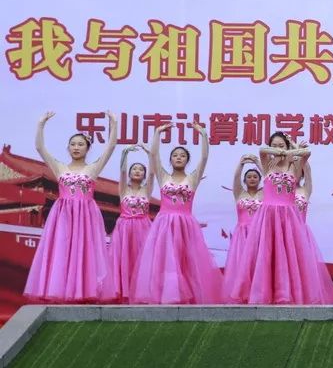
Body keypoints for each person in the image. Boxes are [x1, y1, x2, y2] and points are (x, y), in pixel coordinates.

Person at [228, 132, 333, 304]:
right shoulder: (267, 164)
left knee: (288, 256)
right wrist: (280, 152)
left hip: (288, 216)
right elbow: (262, 150)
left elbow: (306, 153)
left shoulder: (294, 166)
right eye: (274, 145)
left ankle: (287, 293)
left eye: (281, 145)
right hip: (268, 215)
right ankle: (263, 293)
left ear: (287, 146)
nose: (278, 149)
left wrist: (291, 148)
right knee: (266, 254)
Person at [24, 111, 118, 302]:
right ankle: (61, 290)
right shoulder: (60, 168)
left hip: (85, 215)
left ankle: (82, 291)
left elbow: (111, 147)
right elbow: (40, 147)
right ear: (68, 148)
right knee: (61, 250)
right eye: (73, 144)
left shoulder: (92, 168)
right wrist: (41, 123)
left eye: (80, 144)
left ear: (87, 148)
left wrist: (114, 123)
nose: (76, 147)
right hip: (63, 215)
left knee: (83, 252)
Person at [132, 123, 223, 304]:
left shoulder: (192, 178)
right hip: (164, 224)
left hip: (186, 224)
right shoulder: (163, 176)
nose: (179, 157)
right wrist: (157, 132)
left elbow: (204, 157)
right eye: (175, 155)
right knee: (165, 259)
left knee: (186, 260)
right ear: (170, 160)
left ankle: (188, 296)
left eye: (182, 155)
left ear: (187, 160)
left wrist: (203, 135)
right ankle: (164, 294)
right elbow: (154, 155)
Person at [110, 143, 154, 302]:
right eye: (134, 169)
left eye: (141, 169)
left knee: (142, 260)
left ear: (144, 175)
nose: (137, 171)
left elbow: (153, 174)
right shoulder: (123, 190)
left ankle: (142, 292)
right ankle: (124, 292)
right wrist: (125, 154)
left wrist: (150, 155)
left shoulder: (146, 190)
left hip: (143, 228)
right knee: (124, 259)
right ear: (129, 173)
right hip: (125, 228)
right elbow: (122, 172)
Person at [222, 155, 262, 294]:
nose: (252, 179)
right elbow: (236, 178)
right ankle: (243, 292)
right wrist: (241, 164)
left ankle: (258, 292)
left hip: (260, 233)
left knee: (259, 262)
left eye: (255, 177)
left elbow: (269, 179)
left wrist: (257, 162)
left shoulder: (264, 194)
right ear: (244, 180)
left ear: (259, 180)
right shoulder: (239, 193)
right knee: (242, 263)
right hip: (242, 233)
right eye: (249, 177)